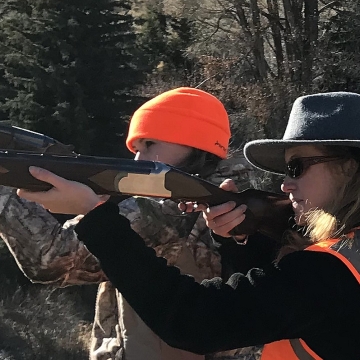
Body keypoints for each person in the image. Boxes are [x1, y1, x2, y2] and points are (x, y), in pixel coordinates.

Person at [20, 91, 360, 360]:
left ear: (349, 167)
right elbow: (284, 303)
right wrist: (242, 237)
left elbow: (197, 322)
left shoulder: (331, 270)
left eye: (298, 168)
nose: (285, 185)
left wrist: (94, 216)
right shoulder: (339, 262)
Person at [0, 87, 263, 360]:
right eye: (136, 148)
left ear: (193, 145)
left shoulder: (170, 209)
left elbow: (48, 259)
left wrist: (6, 186)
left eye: (150, 144)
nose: (137, 159)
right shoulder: (233, 200)